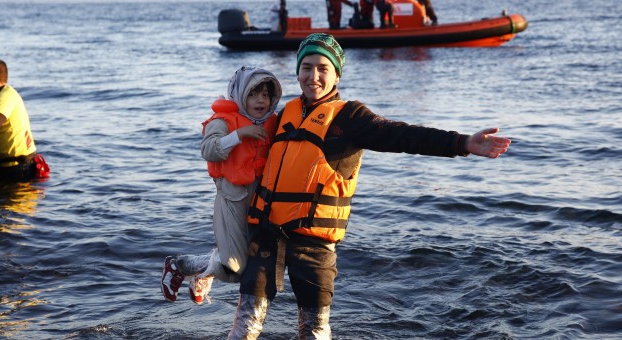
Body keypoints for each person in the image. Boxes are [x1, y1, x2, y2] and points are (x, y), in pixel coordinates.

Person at [227, 33, 511, 339]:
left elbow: (403, 136)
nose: (313, 77)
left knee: (314, 330)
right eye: (307, 67)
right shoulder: (283, 115)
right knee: (245, 324)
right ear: (297, 71)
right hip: (268, 235)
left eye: (323, 68)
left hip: (314, 244)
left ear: (337, 73)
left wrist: (462, 143)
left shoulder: (351, 118)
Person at [160, 67, 283, 304]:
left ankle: (202, 273)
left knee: (255, 264)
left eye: (266, 95)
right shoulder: (223, 121)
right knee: (234, 267)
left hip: (260, 201)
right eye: (253, 94)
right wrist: (240, 134)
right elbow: (208, 150)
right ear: (239, 94)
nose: (260, 100)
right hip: (232, 198)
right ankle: (181, 266)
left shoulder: (272, 121)